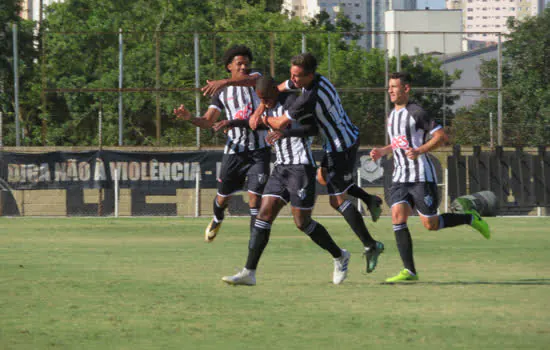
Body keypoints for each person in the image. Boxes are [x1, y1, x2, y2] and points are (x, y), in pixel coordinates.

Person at [221, 76, 350, 286]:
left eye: (266, 98)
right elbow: (260, 124)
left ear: (275, 89)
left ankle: (339, 255)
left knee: (302, 223)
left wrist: (285, 132)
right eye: (260, 99)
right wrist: (233, 122)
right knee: (263, 215)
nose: (265, 102)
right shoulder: (264, 105)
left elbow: (312, 129)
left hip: (301, 168)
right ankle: (249, 272)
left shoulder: (292, 103)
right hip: (280, 168)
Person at [267, 52, 384, 274]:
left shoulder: (309, 97)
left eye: (298, 76)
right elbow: (287, 85)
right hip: (343, 138)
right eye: (291, 74)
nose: (293, 80)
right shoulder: (319, 79)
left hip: (341, 146)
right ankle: (370, 199)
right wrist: (276, 90)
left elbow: (280, 122)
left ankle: (371, 245)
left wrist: (261, 116)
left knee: (337, 200)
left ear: (309, 76)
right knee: (324, 177)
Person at [370, 72, 491, 283]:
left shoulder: (416, 112)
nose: (390, 90)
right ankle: (409, 271)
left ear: (406, 89)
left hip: (420, 176)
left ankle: (470, 217)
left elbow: (442, 137)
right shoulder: (392, 116)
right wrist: (382, 150)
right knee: (397, 216)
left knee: (430, 224)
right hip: (399, 176)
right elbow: (400, 142)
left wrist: (420, 150)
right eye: (388, 86)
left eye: (394, 86)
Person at [173, 45, 268, 242]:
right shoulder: (222, 93)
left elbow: (252, 80)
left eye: (246, 64)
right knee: (223, 198)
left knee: (255, 199)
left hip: (260, 150)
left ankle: (254, 242)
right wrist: (190, 117)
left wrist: (224, 81)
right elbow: (208, 121)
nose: (244, 67)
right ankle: (217, 218)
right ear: (229, 66)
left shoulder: (257, 79)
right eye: (239, 64)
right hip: (235, 151)